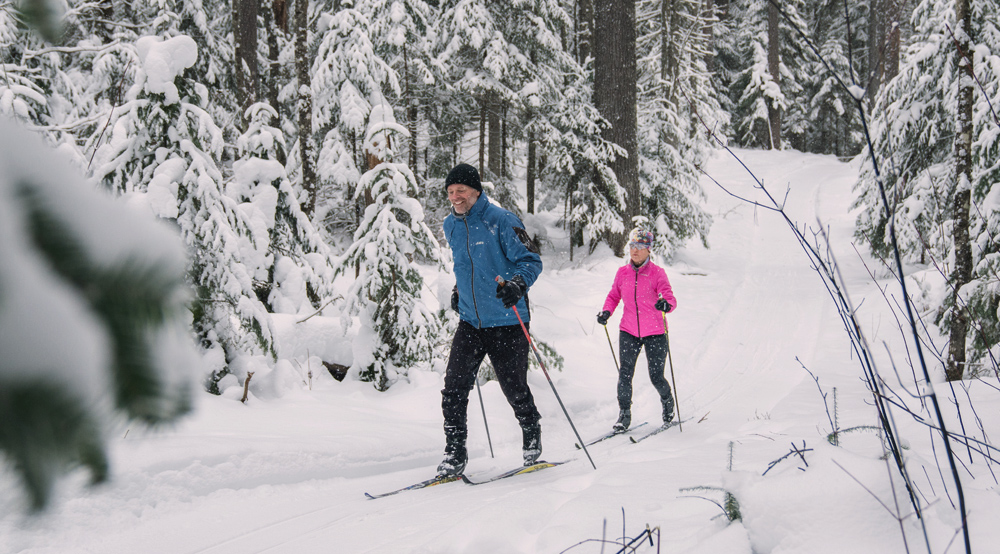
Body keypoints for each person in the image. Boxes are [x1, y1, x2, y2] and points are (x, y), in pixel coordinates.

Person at [439, 163, 544, 476]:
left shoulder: (502, 220)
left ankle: (531, 431)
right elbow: (466, 263)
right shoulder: (450, 225)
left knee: (514, 388)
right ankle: (454, 453)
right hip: (472, 322)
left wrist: (517, 284)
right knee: (454, 389)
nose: (455, 197)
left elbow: (531, 260)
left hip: (507, 320)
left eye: (460, 190)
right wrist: (460, 289)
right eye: (450, 192)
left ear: (475, 190)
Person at [597, 227, 677, 432]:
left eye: (640, 247)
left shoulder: (657, 273)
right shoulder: (622, 273)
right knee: (625, 374)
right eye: (633, 246)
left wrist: (665, 304)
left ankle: (667, 402)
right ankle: (624, 415)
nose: (635, 251)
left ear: (649, 250)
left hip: (656, 333)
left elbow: (669, 297)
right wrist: (606, 312)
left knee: (656, 376)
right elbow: (613, 296)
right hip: (629, 331)